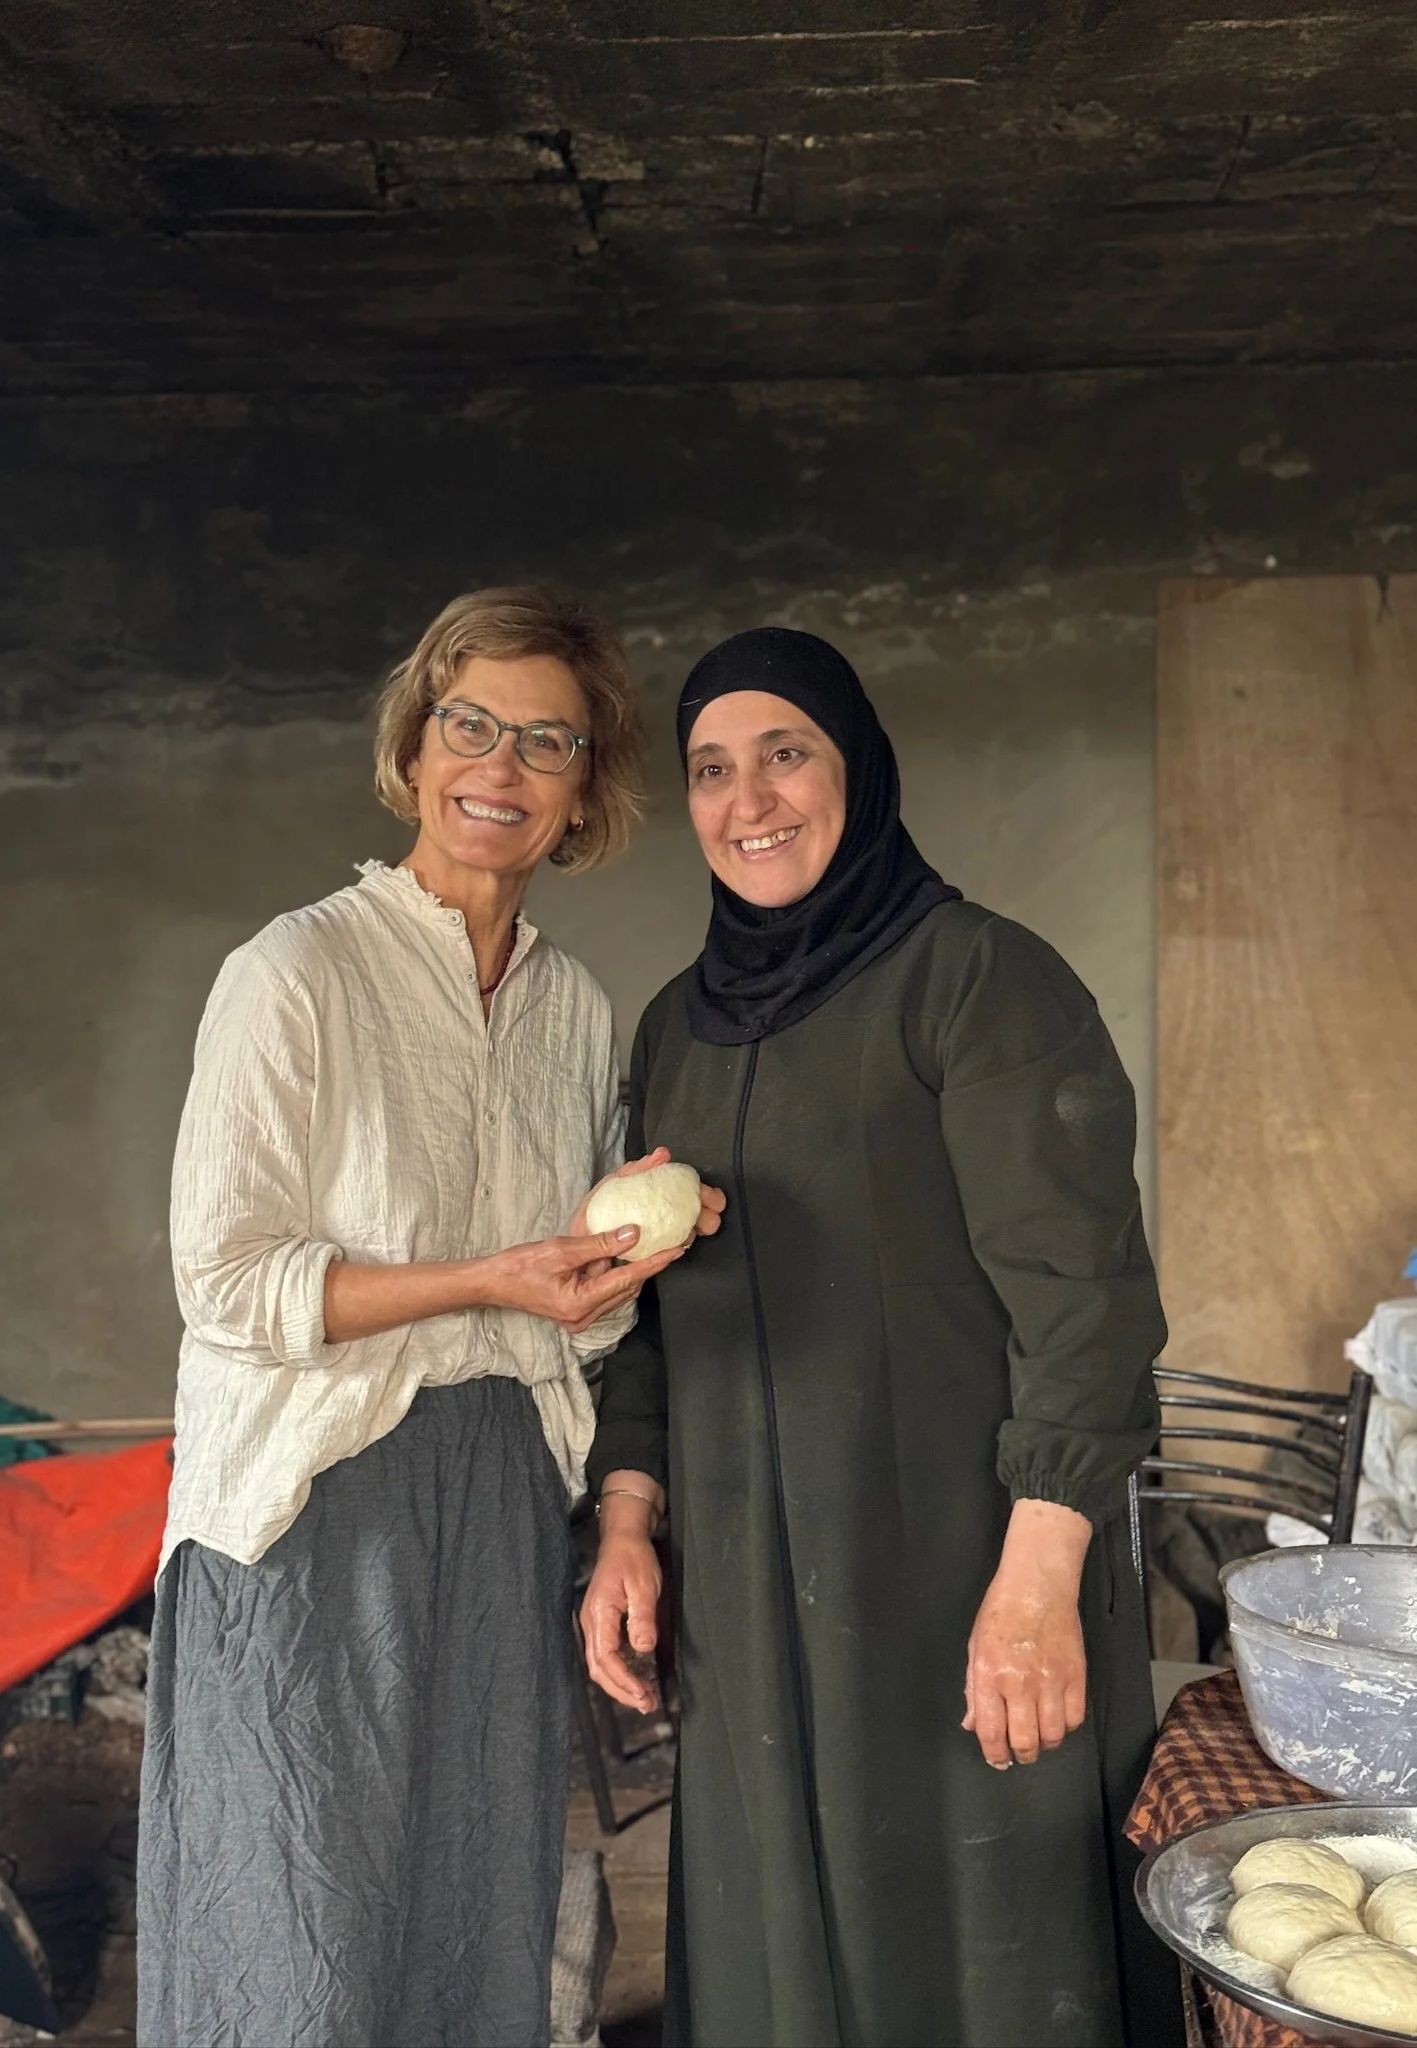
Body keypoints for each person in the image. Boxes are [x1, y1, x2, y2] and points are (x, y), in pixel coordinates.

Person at [137, 586, 721, 2048]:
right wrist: (484, 1278)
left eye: (547, 740)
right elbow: (223, 1282)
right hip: (311, 1496)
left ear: (584, 789)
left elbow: (563, 1331)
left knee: (470, 1912)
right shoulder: (296, 973)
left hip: (500, 1494)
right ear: (414, 744)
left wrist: (607, 1276)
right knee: (298, 1928)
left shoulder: (574, 1012)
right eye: (472, 725)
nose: (501, 767)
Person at [582, 628, 1183, 2048]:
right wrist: (625, 1516)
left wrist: (1037, 1585)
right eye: (713, 771)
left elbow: (1085, 1302)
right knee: (779, 1949)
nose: (752, 801)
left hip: (961, 1571)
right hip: (743, 1593)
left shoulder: (979, 982)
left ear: (858, 769)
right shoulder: (678, 1028)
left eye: (786, 753)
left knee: (989, 1940)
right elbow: (651, 1314)